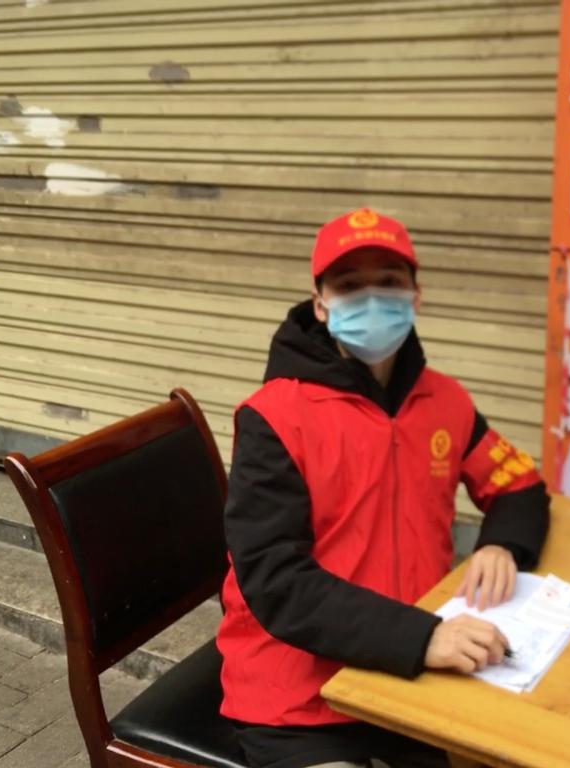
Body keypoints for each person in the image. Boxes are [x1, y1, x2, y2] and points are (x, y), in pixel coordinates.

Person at [216, 207, 551, 768]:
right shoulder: (274, 416)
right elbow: (275, 581)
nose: (372, 299)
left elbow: (518, 483)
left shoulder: (445, 401)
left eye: (390, 282)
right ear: (320, 304)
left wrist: (502, 545)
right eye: (350, 286)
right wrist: (421, 638)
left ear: (417, 296)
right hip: (300, 693)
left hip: (418, 678)